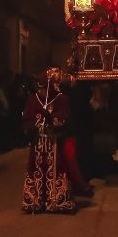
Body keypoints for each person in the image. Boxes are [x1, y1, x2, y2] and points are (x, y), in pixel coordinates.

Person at [22, 67, 77, 214]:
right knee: (37, 169)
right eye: (40, 88)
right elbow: (27, 119)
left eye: (44, 89)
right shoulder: (33, 99)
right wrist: (33, 125)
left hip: (54, 142)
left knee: (57, 168)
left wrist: (52, 119)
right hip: (38, 142)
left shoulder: (61, 99)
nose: (41, 92)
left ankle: (57, 201)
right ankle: (36, 200)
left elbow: (66, 119)